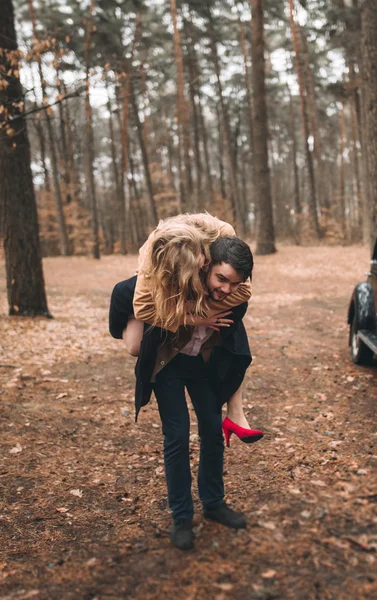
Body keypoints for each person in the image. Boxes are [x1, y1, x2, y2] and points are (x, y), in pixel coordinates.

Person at [109, 235, 262, 550]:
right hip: (169, 363)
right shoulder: (176, 279)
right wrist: (121, 329)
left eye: (235, 283)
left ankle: (214, 503)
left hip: (202, 365)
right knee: (177, 436)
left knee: (210, 428)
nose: (226, 289)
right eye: (221, 278)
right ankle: (181, 517)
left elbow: (234, 338)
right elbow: (125, 291)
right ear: (206, 265)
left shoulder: (235, 298)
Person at [123, 212, 261, 440]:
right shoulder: (152, 261)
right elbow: (144, 310)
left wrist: (200, 309)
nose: (205, 264)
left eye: (204, 261)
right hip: (145, 295)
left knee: (232, 323)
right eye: (199, 268)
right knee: (135, 347)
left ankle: (236, 413)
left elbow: (245, 290)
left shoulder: (223, 235)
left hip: (190, 300)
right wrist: (194, 319)